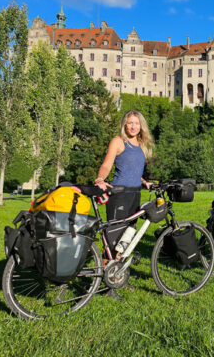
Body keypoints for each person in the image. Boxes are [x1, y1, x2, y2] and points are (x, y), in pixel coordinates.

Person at [95, 110, 154, 298]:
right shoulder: (118, 142)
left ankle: (118, 278)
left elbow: (133, 170)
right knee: (113, 240)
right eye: (130, 123)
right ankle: (104, 284)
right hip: (119, 195)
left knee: (126, 241)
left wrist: (144, 182)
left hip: (135, 196)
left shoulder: (141, 146)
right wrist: (100, 178)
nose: (133, 126)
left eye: (136, 123)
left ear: (141, 126)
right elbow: (107, 164)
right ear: (124, 124)